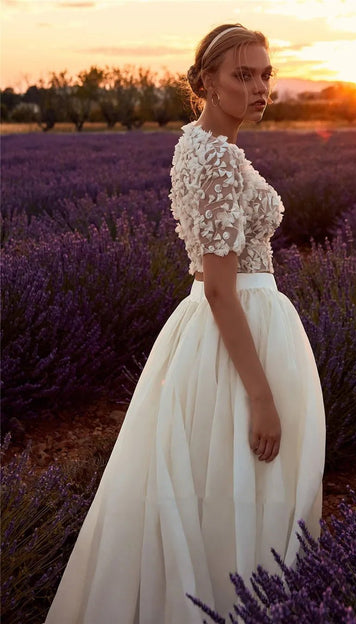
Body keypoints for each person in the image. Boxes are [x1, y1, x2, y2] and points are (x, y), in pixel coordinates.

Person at [44, 23, 326, 624]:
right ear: (205, 82)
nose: (258, 88)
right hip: (237, 331)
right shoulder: (217, 160)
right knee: (242, 489)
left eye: (265, 75)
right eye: (241, 75)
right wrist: (261, 395)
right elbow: (223, 290)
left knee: (210, 486)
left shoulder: (198, 145)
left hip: (213, 331)